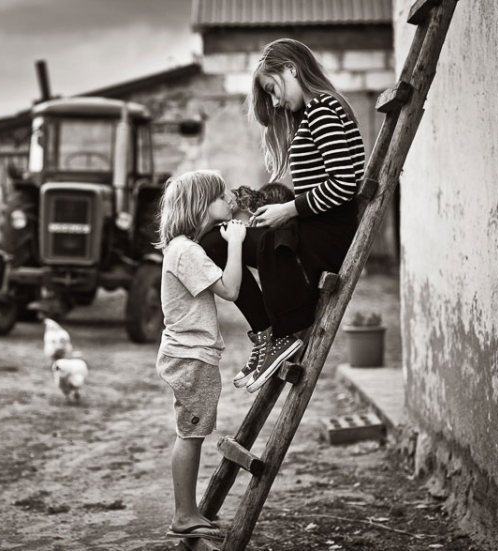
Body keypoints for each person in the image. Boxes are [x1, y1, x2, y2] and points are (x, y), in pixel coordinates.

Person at [199, 38, 366, 393]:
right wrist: (280, 211)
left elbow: (343, 184)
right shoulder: (315, 113)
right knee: (217, 241)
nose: (275, 102)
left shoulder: (322, 109)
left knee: (222, 240)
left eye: (273, 90)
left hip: (324, 239)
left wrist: (288, 210)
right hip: (311, 230)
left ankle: (278, 334)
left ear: (291, 68)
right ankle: (266, 337)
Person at [155, 169, 246, 542]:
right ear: (202, 204)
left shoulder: (183, 248)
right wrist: (237, 241)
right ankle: (183, 515)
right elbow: (231, 289)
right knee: (190, 434)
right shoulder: (186, 251)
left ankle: (188, 511)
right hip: (191, 356)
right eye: (223, 196)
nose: (230, 201)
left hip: (193, 354)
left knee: (193, 432)